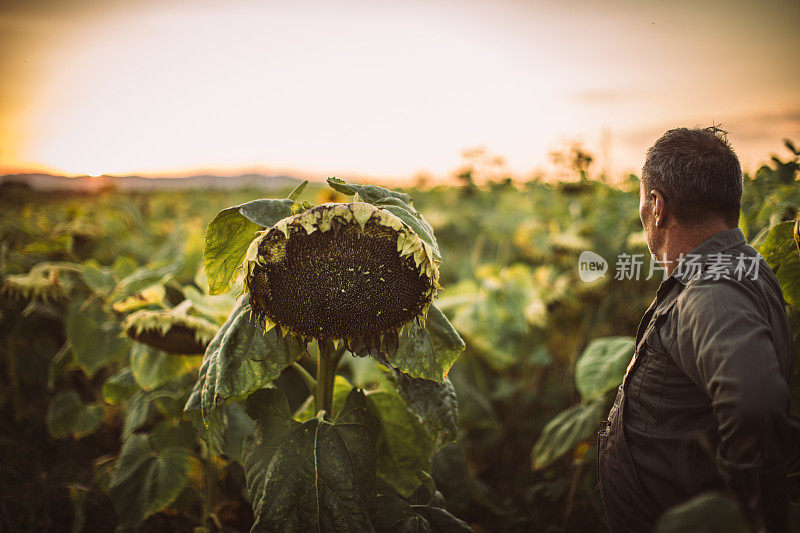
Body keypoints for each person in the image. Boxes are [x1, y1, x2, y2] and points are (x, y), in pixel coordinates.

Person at [597, 127, 800, 532]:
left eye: (643, 200)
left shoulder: (711, 290)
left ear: (657, 206)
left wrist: (737, 513)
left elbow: (756, 404)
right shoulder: (742, 264)